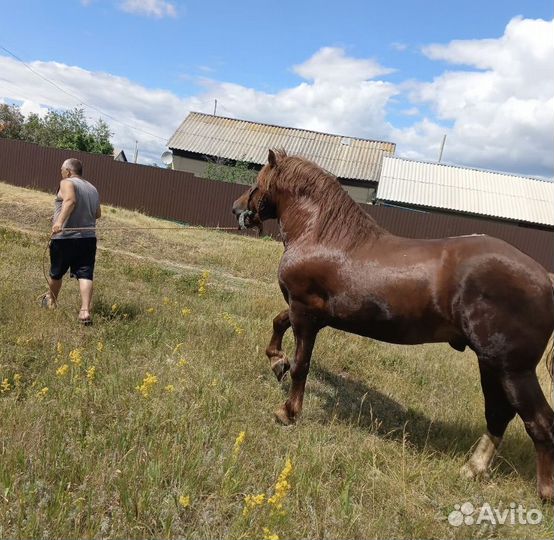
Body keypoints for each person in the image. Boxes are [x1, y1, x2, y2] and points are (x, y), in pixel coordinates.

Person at [41, 158, 101, 325]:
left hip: (66, 238)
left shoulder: (66, 182)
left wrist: (59, 222)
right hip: (88, 238)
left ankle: (51, 302)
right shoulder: (92, 188)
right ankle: (85, 311)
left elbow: (71, 201)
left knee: (56, 272)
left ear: (67, 171)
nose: (61, 173)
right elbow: (97, 214)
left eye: (62, 170)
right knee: (85, 274)